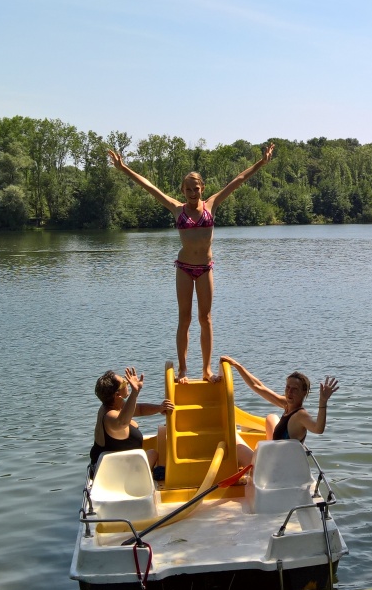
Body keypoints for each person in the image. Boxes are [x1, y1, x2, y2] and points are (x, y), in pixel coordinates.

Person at [107, 144, 275, 384]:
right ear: (183, 191)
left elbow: (238, 179)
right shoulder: (178, 209)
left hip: (205, 268)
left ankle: (206, 370)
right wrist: (124, 168)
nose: (192, 193)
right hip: (184, 268)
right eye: (188, 190)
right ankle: (184, 371)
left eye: (196, 189)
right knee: (184, 319)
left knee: (205, 318)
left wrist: (262, 163)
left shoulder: (211, 205)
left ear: (202, 188)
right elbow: (149, 187)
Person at [220, 355, 337, 448]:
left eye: (295, 389)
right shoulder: (287, 404)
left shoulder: (300, 415)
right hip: (276, 451)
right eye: (288, 388)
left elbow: (318, 429)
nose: (289, 392)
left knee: (233, 438)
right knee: (271, 417)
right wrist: (237, 365)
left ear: (304, 392)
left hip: (278, 463)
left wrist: (323, 402)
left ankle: (251, 474)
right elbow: (258, 386)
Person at [89, 367, 174, 480]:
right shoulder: (110, 417)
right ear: (117, 394)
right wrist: (134, 393)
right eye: (125, 382)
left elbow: (139, 409)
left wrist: (159, 408)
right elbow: (122, 422)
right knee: (152, 453)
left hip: (116, 466)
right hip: (112, 474)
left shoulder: (113, 405)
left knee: (152, 453)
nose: (128, 383)